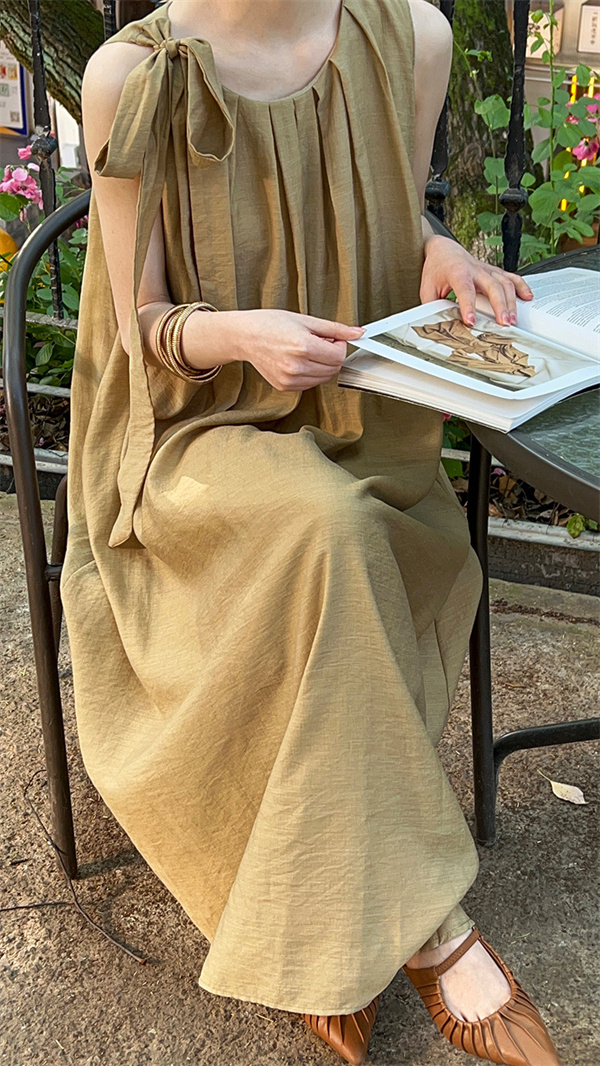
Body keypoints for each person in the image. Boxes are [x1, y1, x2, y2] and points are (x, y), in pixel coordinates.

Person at [62, 1, 562, 1064]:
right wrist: (237, 335)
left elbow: (392, 217)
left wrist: (440, 255)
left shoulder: (411, 39)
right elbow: (136, 326)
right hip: (193, 428)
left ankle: (331, 925)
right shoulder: (130, 76)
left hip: (360, 415)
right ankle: (431, 929)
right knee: (329, 533)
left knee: (339, 531)